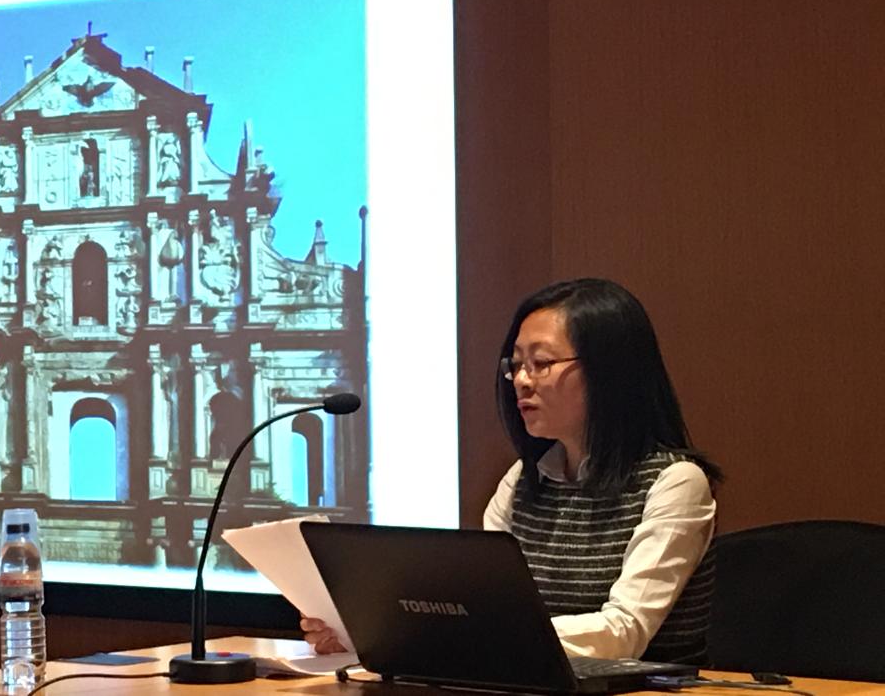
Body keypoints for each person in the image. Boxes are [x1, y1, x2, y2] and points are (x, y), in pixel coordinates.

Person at [301, 278, 721, 662]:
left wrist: (470, 634)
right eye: (516, 364)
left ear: (608, 371)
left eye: (541, 362)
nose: (521, 380)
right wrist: (364, 630)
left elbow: (623, 632)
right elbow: (477, 605)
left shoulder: (675, 483)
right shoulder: (523, 478)